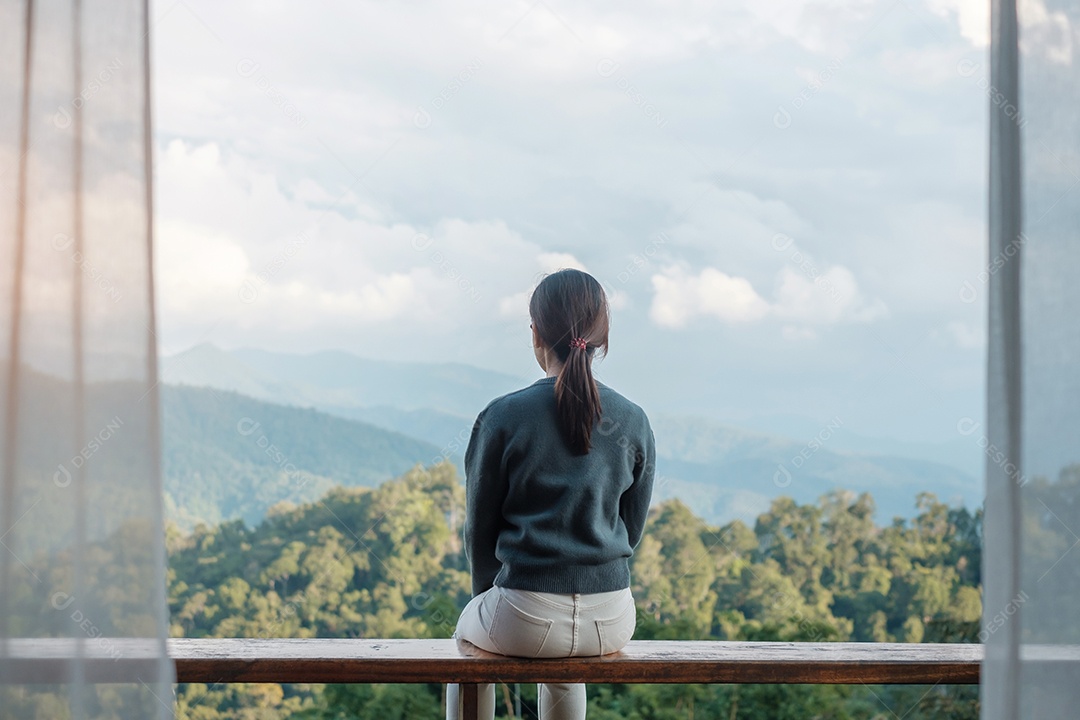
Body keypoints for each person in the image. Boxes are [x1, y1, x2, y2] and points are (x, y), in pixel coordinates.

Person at [446, 268, 656, 720]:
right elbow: (630, 528)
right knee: (565, 665)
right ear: (602, 335)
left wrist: (491, 597)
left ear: (536, 332)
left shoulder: (503, 416)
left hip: (524, 614)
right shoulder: (634, 419)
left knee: (464, 645)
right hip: (613, 620)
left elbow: (479, 529)